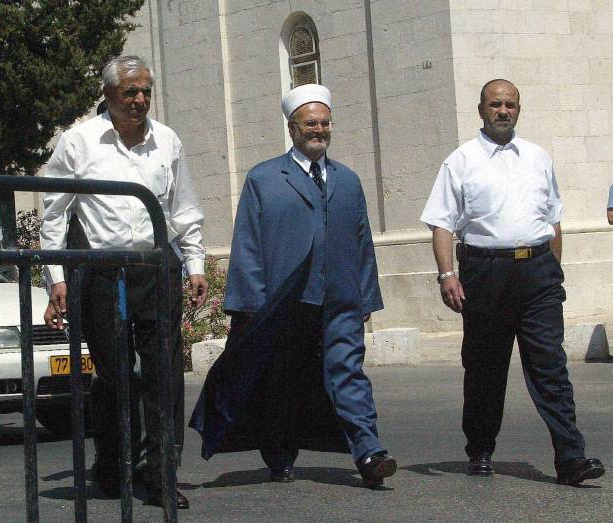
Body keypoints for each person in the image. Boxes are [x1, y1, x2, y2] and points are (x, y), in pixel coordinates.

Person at [190, 84, 396, 488]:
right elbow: (247, 243)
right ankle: (279, 455)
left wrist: (366, 295)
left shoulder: (348, 180)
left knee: (348, 372)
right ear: (292, 128)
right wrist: (249, 303)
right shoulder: (264, 178)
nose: (318, 130)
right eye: (310, 124)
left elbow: (362, 242)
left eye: (324, 123)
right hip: (284, 302)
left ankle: (369, 453)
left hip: (339, 299)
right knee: (281, 379)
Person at [40, 55, 208, 509]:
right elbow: (54, 212)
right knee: (116, 375)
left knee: (164, 374)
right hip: (103, 273)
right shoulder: (80, 142)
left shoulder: (167, 140)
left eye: (146, 91)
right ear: (109, 94)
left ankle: (161, 476)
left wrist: (194, 264)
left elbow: (183, 207)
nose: (139, 100)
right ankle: (113, 466)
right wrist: (55, 277)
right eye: (130, 92)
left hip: (156, 269)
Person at [420, 79, 605, 485]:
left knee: (551, 366)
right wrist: (447, 274)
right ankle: (481, 448)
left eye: (511, 105)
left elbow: (552, 220)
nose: (503, 111)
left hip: (537, 272)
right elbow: (442, 223)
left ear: (519, 110)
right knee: (485, 368)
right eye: (495, 104)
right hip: (485, 274)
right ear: (481, 109)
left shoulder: (538, 157)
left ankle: (571, 458)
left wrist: (554, 271)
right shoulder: (461, 161)